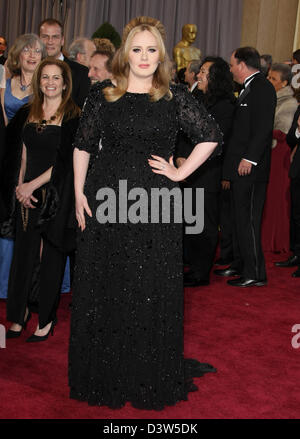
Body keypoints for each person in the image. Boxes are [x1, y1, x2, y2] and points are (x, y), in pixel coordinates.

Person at [69, 16, 221, 410]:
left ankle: (145, 371)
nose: (144, 56)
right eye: (136, 48)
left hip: (154, 206)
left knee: (148, 288)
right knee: (106, 283)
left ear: (162, 55)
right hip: (105, 202)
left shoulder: (173, 96)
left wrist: (179, 172)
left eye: (151, 49)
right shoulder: (104, 93)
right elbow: (83, 146)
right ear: (125, 53)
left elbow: (211, 136)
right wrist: (78, 194)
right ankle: (105, 370)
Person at [1, 58, 80, 340]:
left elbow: (65, 161)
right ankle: (19, 314)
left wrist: (33, 185)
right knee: (23, 254)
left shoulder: (73, 116)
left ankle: (45, 318)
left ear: (65, 82)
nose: (49, 82)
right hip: (26, 195)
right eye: (45, 77)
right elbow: (21, 154)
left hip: (55, 194)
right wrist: (21, 186)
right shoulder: (26, 112)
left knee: (50, 258)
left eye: (55, 77)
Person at [215, 47, 276, 287]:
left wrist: (249, 159)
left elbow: (262, 129)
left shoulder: (262, 88)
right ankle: (240, 265)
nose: (230, 70)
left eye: (231, 65)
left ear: (242, 64)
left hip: (251, 169)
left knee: (248, 220)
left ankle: (256, 273)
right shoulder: (249, 88)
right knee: (238, 219)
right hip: (239, 167)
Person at [176, 56, 235, 286]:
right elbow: (181, 130)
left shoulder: (225, 106)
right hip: (185, 169)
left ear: (215, 77)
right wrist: (181, 157)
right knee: (189, 222)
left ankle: (201, 273)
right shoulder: (195, 97)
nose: (198, 75)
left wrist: (190, 160)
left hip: (207, 173)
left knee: (204, 225)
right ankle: (190, 265)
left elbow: (215, 142)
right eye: (199, 71)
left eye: (203, 72)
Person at [0, 34, 46, 300]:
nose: (32, 55)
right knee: (5, 219)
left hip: (30, 159)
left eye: (37, 51)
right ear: (18, 55)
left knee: (27, 222)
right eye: (27, 50)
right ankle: (4, 285)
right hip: (6, 157)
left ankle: (26, 286)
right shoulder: (5, 83)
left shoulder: (44, 87)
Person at [262, 64, 297, 254]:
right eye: (268, 77)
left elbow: (283, 131)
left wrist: (260, 130)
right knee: (269, 198)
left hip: (280, 154)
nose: (269, 81)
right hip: (271, 151)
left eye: (273, 79)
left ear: (284, 82)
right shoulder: (272, 98)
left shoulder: (289, 103)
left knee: (277, 200)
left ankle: (276, 241)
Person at [39, 18, 90, 108]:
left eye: (55, 37)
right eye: (45, 36)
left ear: (62, 40)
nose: (50, 41)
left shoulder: (81, 73)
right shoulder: (32, 69)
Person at [275, 106, 300, 274]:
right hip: (298, 169)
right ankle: (297, 254)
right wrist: (298, 130)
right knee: (296, 214)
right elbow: (291, 138)